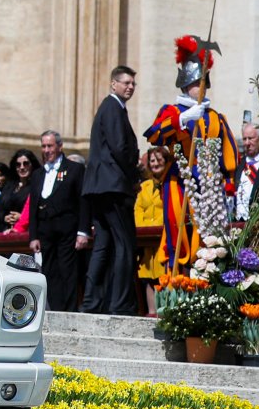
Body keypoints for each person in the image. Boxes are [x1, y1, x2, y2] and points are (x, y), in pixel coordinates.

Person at [144, 38, 238, 270]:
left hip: (209, 186)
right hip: (180, 182)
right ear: (187, 84)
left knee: (210, 238)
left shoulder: (215, 116)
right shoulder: (172, 111)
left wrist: (228, 184)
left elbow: (229, 152)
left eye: (204, 81)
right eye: (198, 82)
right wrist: (182, 119)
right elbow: (155, 136)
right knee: (180, 234)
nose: (202, 86)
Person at [82, 65, 141, 315]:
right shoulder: (114, 108)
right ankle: (120, 304)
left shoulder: (108, 107)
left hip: (99, 187)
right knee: (125, 244)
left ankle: (92, 303)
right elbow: (120, 147)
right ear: (113, 83)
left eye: (132, 84)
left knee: (103, 244)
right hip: (114, 186)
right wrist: (135, 174)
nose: (129, 87)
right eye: (125, 82)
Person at [28, 131, 89, 312]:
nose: (46, 150)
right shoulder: (38, 174)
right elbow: (33, 207)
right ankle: (55, 309)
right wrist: (34, 235)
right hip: (46, 231)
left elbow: (83, 202)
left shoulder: (74, 169)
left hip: (67, 230)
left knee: (67, 272)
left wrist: (83, 231)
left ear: (59, 147)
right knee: (50, 272)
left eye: (50, 146)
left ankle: (68, 311)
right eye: (44, 146)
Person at [136, 146, 173, 316]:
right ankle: (151, 312)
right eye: (152, 161)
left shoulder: (170, 183)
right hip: (146, 237)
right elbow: (139, 208)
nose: (155, 164)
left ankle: (163, 310)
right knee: (147, 274)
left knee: (161, 275)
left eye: (159, 160)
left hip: (163, 236)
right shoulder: (145, 186)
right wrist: (142, 227)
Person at [235, 122, 259, 221]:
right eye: (244, 139)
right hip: (237, 224)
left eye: (251, 138)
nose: (247, 143)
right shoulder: (240, 164)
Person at [1, 149, 40, 233]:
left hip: (26, 233)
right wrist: (5, 217)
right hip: (4, 231)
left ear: (32, 165)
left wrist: (22, 217)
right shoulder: (9, 186)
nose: (22, 167)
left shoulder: (37, 186)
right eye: (18, 164)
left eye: (26, 164)